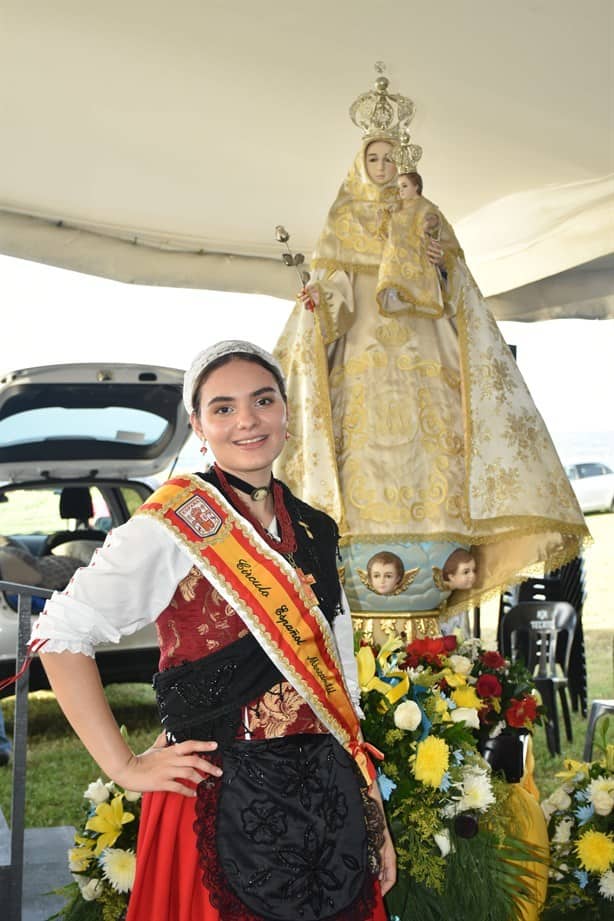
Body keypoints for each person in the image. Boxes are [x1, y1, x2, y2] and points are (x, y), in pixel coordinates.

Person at [30, 341, 395, 921]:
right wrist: (123, 766)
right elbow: (61, 632)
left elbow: (339, 678)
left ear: (284, 412)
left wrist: (370, 805)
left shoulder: (316, 528)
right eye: (223, 408)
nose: (246, 420)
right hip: (217, 797)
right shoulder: (171, 525)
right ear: (198, 425)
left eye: (262, 400)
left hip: (327, 799)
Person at [273, 68, 588, 622]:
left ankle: (439, 584)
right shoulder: (341, 227)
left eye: (390, 159)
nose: (381, 168)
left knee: (435, 473)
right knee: (359, 474)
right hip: (363, 382)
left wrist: (441, 272)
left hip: (426, 374)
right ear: (359, 166)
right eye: (372, 160)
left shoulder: (429, 220)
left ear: (405, 166)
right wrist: (316, 308)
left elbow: (460, 296)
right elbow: (337, 298)